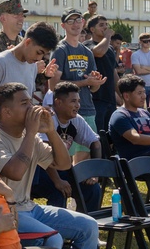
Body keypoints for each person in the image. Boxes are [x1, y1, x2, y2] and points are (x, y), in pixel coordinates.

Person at [0, 83, 100, 249]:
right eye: (25, 103)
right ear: (7, 112)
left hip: (30, 208)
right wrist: (32, 131)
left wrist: (51, 131)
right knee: (52, 239)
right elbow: (16, 172)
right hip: (4, 213)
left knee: (89, 226)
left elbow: (64, 164)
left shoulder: (31, 137)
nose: (32, 108)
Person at [32, 82, 102, 212]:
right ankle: (57, 228)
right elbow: (45, 157)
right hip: (39, 170)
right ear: (58, 102)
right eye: (73, 101)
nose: (77, 106)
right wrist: (57, 181)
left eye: (79, 101)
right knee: (59, 191)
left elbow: (95, 143)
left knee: (92, 189)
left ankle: (87, 223)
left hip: (62, 168)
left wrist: (94, 173)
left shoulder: (76, 120)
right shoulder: (47, 119)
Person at [50, 8, 105, 160]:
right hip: (66, 113)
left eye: (78, 20)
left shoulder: (87, 52)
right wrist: (85, 82)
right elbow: (53, 86)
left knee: (86, 154)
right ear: (63, 26)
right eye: (70, 21)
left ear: (84, 22)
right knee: (66, 156)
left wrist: (95, 82)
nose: (75, 24)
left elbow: (93, 88)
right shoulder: (60, 50)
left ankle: (81, 184)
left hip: (87, 107)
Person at [0, 21, 59, 124]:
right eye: (38, 52)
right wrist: (13, 112)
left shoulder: (32, 65)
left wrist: (38, 111)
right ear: (27, 42)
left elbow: (25, 104)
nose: (39, 58)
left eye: (43, 55)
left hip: (25, 132)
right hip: (1, 133)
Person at [108, 75, 150, 159]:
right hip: (136, 162)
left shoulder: (145, 113)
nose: (144, 96)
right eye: (139, 93)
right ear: (126, 96)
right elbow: (135, 138)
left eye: (144, 92)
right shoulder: (120, 116)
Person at [83, 15, 119, 132]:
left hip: (110, 98)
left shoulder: (110, 48)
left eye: (106, 24)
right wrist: (108, 35)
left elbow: (113, 73)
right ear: (92, 29)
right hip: (96, 98)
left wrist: (122, 94)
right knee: (98, 134)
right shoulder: (87, 45)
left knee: (110, 136)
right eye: (101, 25)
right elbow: (98, 52)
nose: (105, 27)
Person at [131, 33, 150, 105]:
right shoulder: (135, 55)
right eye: (145, 41)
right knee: (140, 108)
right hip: (141, 85)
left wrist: (144, 67)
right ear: (140, 42)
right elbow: (138, 71)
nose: (148, 43)